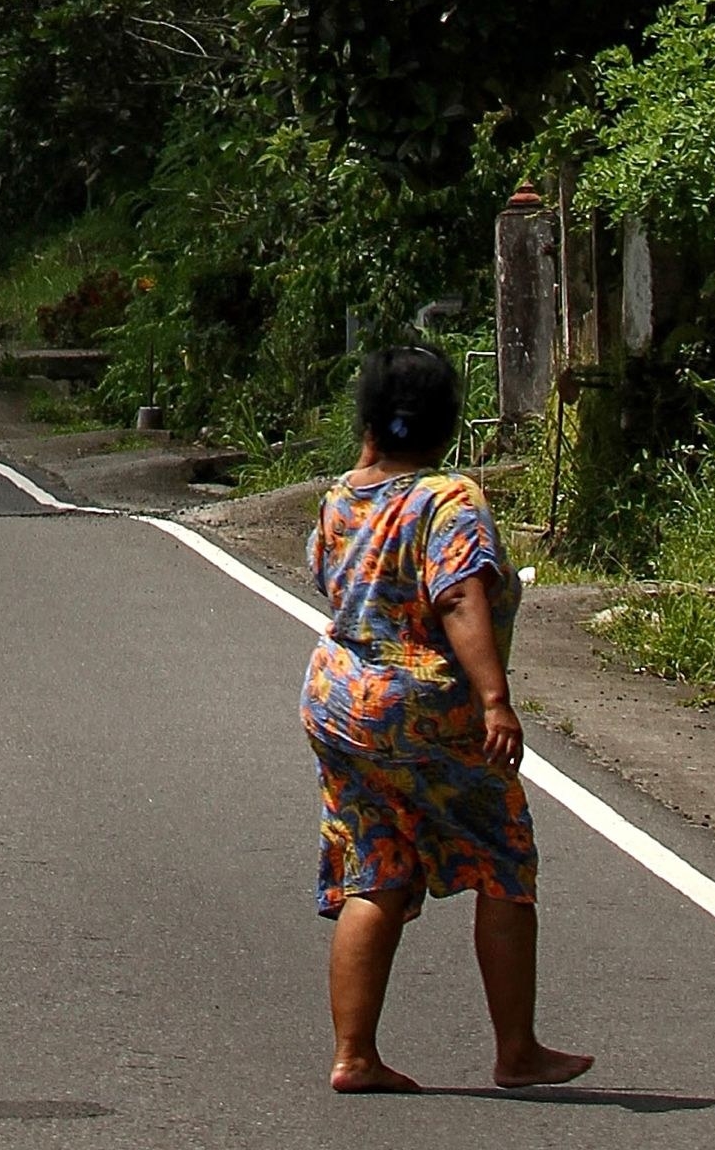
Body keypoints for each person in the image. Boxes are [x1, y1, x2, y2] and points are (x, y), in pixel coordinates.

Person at [302, 343, 591, 1097]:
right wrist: (495, 699)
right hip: (428, 705)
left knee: (377, 867)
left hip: (341, 701)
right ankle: (517, 1050)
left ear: (368, 424)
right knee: (501, 859)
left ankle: (354, 1054)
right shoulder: (447, 500)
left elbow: (328, 577)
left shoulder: (342, 496)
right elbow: (459, 594)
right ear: (445, 426)